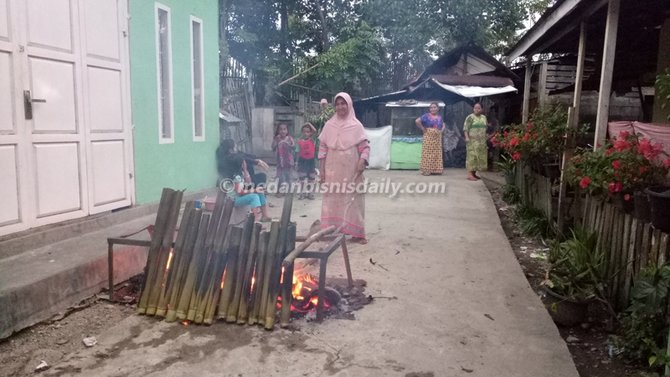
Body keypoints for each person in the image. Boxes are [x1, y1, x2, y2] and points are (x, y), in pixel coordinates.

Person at [318, 92, 370, 244]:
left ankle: (357, 233)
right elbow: (322, 150)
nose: (340, 107)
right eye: (338, 104)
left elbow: (365, 148)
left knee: (353, 199)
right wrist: (322, 171)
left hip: (351, 170)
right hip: (332, 170)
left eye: (343, 103)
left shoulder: (357, 126)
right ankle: (330, 230)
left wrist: (362, 160)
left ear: (349, 105)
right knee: (332, 199)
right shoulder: (329, 125)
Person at [227, 154, 271, 222]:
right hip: (233, 199)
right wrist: (254, 190)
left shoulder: (241, 173)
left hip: (240, 196)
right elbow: (240, 192)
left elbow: (249, 184)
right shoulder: (235, 176)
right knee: (254, 197)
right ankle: (255, 221)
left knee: (260, 192)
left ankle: (265, 216)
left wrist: (245, 170)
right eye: (243, 162)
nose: (245, 163)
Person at [415, 102, 445, 175]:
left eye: (434, 107)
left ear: (438, 108)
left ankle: (436, 170)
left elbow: (443, 124)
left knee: (436, 153)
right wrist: (422, 128)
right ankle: (426, 170)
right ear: (429, 109)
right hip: (428, 136)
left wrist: (441, 130)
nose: (433, 109)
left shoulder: (439, 117)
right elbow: (417, 121)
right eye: (431, 107)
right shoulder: (426, 116)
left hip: (437, 137)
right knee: (427, 153)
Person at [463, 102, 488, 181]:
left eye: (478, 108)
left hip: (481, 142)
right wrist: (467, 137)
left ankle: (474, 174)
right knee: (472, 157)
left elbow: (485, 127)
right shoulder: (470, 117)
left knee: (479, 158)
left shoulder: (484, 117)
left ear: (482, 109)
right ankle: (470, 174)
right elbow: (465, 128)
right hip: (472, 141)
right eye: (475, 108)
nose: (476, 109)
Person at [271, 123, 295, 194]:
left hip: (288, 160)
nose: (282, 131)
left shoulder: (290, 138)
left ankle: (289, 191)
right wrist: (277, 141)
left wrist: (289, 144)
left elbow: (294, 146)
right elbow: (272, 147)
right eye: (280, 129)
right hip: (280, 160)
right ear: (278, 131)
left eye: (284, 129)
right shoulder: (276, 138)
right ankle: (279, 191)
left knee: (289, 175)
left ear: (287, 131)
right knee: (280, 176)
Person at [297, 123, 318, 200]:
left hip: (310, 161)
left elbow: (315, 131)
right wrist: (296, 163)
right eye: (304, 131)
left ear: (310, 133)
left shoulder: (312, 140)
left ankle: (310, 193)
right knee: (302, 179)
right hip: (302, 161)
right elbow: (297, 152)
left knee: (311, 179)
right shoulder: (299, 141)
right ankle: (302, 193)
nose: (306, 133)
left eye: (308, 132)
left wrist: (308, 123)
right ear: (302, 132)